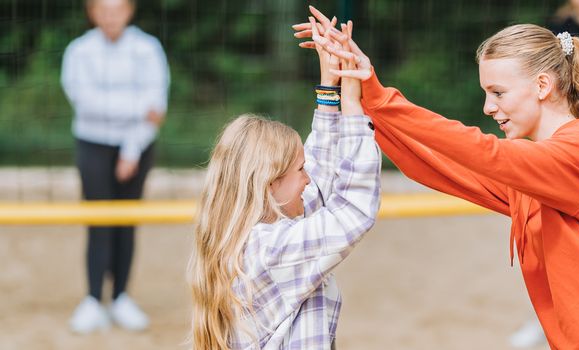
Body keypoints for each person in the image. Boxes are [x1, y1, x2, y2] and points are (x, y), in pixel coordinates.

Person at [301, 10, 579, 349]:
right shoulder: (536, 170)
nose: (487, 106)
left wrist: (380, 94)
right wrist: (360, 96)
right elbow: (438, 167)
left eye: (498, 92)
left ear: (542, 85)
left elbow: (483, 152)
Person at [188, 12, 380, 349]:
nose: (308, 180)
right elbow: (353, 211)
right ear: (269, 185)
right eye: (299, 170)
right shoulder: (272, 250)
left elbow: (318, 174)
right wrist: (353, 104)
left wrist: (330, 85)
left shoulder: (253, 235)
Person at [61, 0, 169, 334]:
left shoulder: (148, 48)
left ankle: (121, 297)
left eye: (117, 8)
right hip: (92, 145)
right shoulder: (78, 51)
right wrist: (137, 107)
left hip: (138, 146)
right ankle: (94, 299)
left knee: (127, 221)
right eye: (103, 9)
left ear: (129, 10)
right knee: (97, 221)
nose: (110, 16)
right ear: (91, 12)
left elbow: (157, 107)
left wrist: (131, 149)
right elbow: (84, 101)